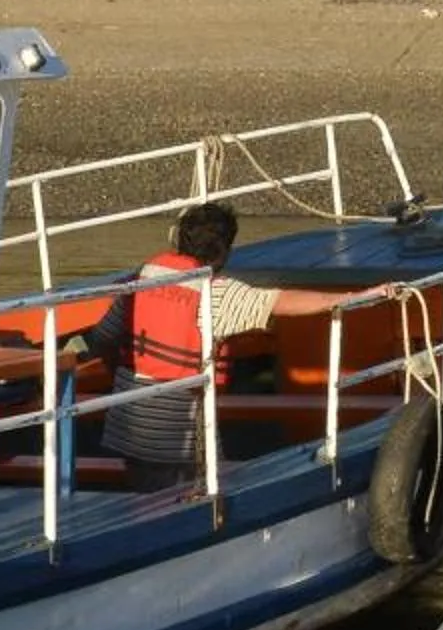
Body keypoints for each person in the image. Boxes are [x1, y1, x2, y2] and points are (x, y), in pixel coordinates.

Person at [74, 202, 348, 491]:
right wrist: (360, 295)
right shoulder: (217, 294)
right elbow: (283, 302)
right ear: (225, 250)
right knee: (195, 495)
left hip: (130, 427)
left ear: (178, 239)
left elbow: (104, 337)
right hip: (182, 436)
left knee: (144, 494)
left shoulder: (142, 279)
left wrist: (116, 369)